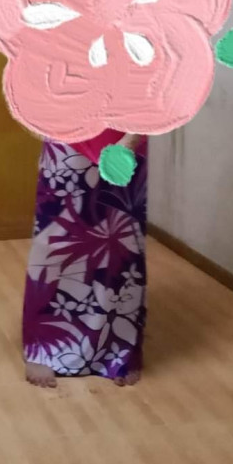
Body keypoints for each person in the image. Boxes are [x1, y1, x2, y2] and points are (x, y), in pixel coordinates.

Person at [23, 130, 147, 388]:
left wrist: (131, 139)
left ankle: (117, 351)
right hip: (67, 132)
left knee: (121, 243)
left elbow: (161, 106)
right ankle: (45, 346)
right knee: (57, 237)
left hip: (127, 135)